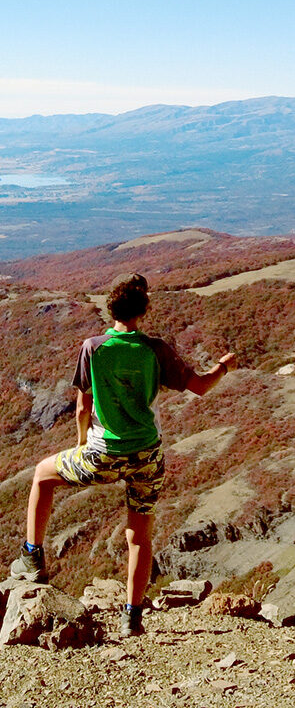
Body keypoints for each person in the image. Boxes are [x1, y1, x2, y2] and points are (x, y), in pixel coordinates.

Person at [9, 272, 235, 637]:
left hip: (102, 452)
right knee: (139, 537)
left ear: (110, 308)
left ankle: (32, 558)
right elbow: (201, 386)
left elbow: (83, 407)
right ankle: (132, 618)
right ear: (143, 310)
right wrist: (224, 366)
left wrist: (83, 443)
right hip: (147, 455)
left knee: (42, 475)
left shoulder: (93, 347)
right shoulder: (156, 349)